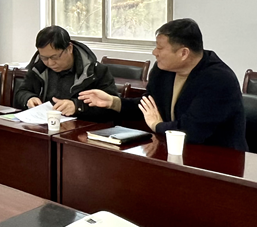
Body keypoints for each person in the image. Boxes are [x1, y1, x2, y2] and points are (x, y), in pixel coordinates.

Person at [80, 19, 247, 150]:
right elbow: (149, 107)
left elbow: (192, 132)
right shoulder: (163, 70)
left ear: (183, 53)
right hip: (175, 151)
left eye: (160, 48)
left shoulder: (218, 79)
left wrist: (157, 125)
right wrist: (112, 102)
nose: (154, 52)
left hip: (219, 159)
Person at [15, 26, 118, 120]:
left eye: (54, 57)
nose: (50, 63)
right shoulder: (38, 68)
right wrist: (28, 98)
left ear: (69, 48)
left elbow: (111, 109)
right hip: (43, 126)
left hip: (80, 129)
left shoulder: (96, 72)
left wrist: (78, 107)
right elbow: (22, 91)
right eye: (44, 58)